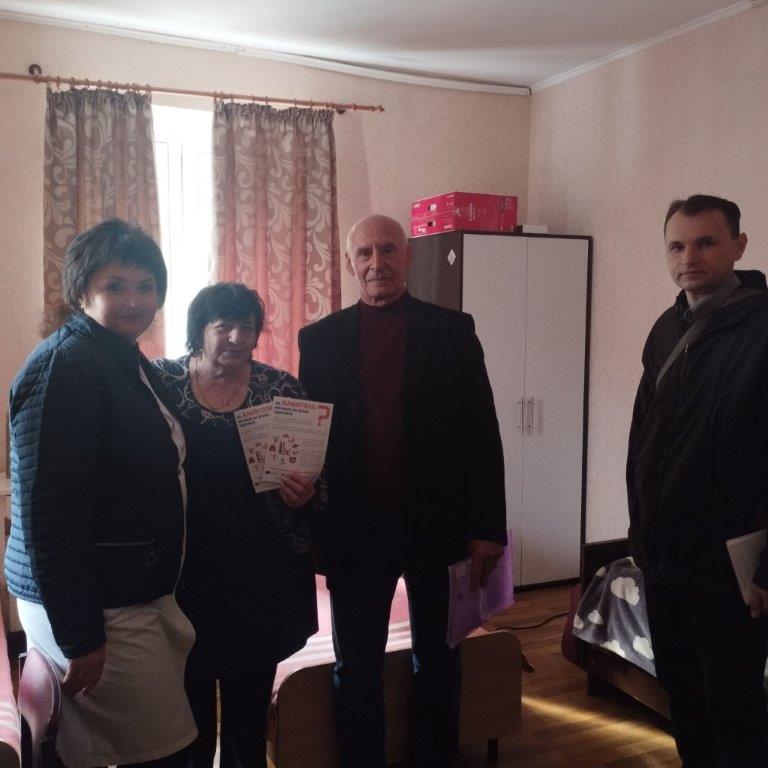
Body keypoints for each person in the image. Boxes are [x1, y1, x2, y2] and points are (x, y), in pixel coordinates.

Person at [298, 214, 507, 768]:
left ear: (408, 256)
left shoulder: (452, 330)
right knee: (356, 666)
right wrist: (312, 529)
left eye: (388, 250)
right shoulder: (318, 341)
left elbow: (482, 432)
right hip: (354, 532)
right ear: (350, 263)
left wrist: (488, 527)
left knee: (439, 659)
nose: (377, 263)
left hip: (439, 528)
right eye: (364, 253)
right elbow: (311, 442)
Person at [5, 219, 197, 768]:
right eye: (115, 285)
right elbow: (50, 515)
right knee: (166, 746)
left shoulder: (119, 356)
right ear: (82, 290)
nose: (135, 299)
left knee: (129, 745)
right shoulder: (67, 365)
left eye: (146, 285)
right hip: (97, 603)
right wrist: (81, 635)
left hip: (122, 591)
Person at [627, 194, 768, 767]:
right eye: (677, 246)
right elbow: (642, 440)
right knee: (683, 699)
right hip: (665, 561)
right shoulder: (667, 328)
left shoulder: (761, 329)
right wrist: (639, 537)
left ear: (739, 246)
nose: (689, 257)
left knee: (735, 709)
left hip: (730, 569)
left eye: (706, 242)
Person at [154, 282, 319, 768]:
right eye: (222, 325)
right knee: (189, 714)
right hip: (186, 573)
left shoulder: (280, 389)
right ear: (199, 329)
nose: (236, 337)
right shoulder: (163, 384)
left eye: (246, 327)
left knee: (249, 710)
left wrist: (306, 492)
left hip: (261, 573)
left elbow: (316, 469)